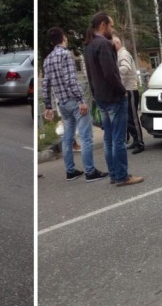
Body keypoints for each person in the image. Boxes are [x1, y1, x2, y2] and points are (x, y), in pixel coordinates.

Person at [83, 13, 144, 187]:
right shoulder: (103, 44)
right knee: (118, 139)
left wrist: (95, 94)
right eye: (111, 25)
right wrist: (122, 91)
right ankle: (122, 176)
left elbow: (90, 75)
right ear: (103, 25)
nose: (112, 29)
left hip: (101, 97)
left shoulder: (88, 45)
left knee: (109, 138)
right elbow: (111, 73)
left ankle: (114, 174)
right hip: (113, 97)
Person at [42, 26, 108, 183]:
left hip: (62, 103)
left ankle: (70, 171)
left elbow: (46, 84)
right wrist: (80, 100)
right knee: (86, 137)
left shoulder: (48, 59)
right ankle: (90, 172)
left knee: (67, 137)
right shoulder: (66, 55)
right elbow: (71, 79)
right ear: (64, 38)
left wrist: (48, 106)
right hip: (74, 101)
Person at [112, 35, 144, 154]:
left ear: (117, 44)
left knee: (132, 118)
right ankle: (135, 140)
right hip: (127, 89)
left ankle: (139, 143)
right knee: (128, 118)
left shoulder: (123, 54)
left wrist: (115, 73)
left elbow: (125, 68)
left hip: (130, 89)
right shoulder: (119, 54)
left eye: (112, 44)